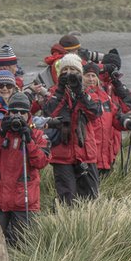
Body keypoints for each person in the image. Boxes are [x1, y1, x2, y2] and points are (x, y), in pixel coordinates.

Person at [0, 92, 50, 248]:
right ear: (7, 112)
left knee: (24, 246)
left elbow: (41, 162)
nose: (18, 115)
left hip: (24, 200)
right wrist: (1, 133)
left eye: (22, 112)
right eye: (14, 111)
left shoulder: (36, 134)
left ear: (29, 114)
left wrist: (29, 140)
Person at [42, 53, 101, 206]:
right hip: (62, 154)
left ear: (80, 73)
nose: (69, 73)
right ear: (59, 73)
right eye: (65, 69)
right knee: (67, 198)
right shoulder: (54, 92)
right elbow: (49, 113)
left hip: (86, 152)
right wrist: (61, 90)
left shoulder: (88, 92)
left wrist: (80, 92)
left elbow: (95, 113)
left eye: (73, 70)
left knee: (91, 197)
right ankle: (67, 226)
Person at [97, 49, 131, 177]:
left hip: (114, 132)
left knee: (109, 163)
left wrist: (117, 83)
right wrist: (103, 70)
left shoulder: (115, 85)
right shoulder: (94, 81)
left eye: (116, 68)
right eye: (112, 67)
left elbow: (128, 103)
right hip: (99, 131)